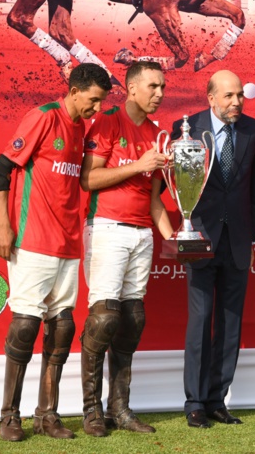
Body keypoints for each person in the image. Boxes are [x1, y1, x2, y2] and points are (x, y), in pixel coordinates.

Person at [0, 63, 112, 442]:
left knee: (62, 327)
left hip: (68, 242)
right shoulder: (43, 117)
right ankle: (10, 415)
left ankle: (48, 414)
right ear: (75, 91)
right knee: (25, 325)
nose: (96, 108)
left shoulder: (81, 130)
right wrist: (4, 225)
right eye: (93, 100)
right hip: (32, 239)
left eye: (101, 102)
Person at [78, 61, 174, 437]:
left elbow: (154, 201)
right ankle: (92, 410)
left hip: (142, 233)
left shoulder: (158, 134)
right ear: (132, 89)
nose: (160, 93)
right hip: (108, 229)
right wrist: (137, 165)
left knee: (132, 320)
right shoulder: (108, 122)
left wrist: (175, 238)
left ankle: (121, 409)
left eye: (163, 86)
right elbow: (89, 178)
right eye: (153, 86)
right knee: (104, 319)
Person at [170, 70, 255, 429]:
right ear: (210, 98)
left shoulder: (254, 130)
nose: (236, 102)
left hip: (237, 242)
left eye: (240, 95)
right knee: (201, 319)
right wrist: (186, 229)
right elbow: (180, 190)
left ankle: (217, 400)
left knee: (230, 324)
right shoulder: (186, 128)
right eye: (228, 96)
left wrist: (250, 237)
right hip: (200, 237)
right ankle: (194, 401)